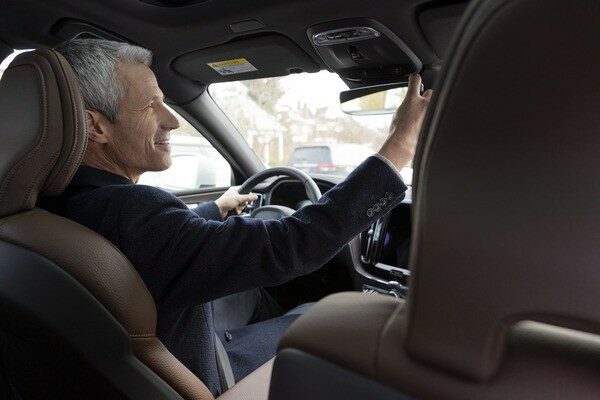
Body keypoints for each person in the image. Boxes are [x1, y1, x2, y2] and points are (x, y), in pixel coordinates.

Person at [39, 39, 432, 395]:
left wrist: (213, 210)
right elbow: (290, 244)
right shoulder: (131, 212)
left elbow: (158, 244)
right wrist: (400, 144)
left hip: (136, 373)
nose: (172, 120)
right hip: (200, 378)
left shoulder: (49, 204)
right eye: (150, 104)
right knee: (328, 317)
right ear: (95, 126)